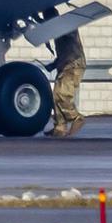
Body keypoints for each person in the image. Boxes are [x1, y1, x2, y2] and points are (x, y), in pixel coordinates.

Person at [42, 7, 86, 137]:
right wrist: (54, 64)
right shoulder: (57, 30)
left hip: (73, 64)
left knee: (62, 94)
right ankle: (60, 127)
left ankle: (76, 117)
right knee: (56, 95)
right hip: (65, 64)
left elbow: (70, 35)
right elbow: (64, 50)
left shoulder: (66, 26)